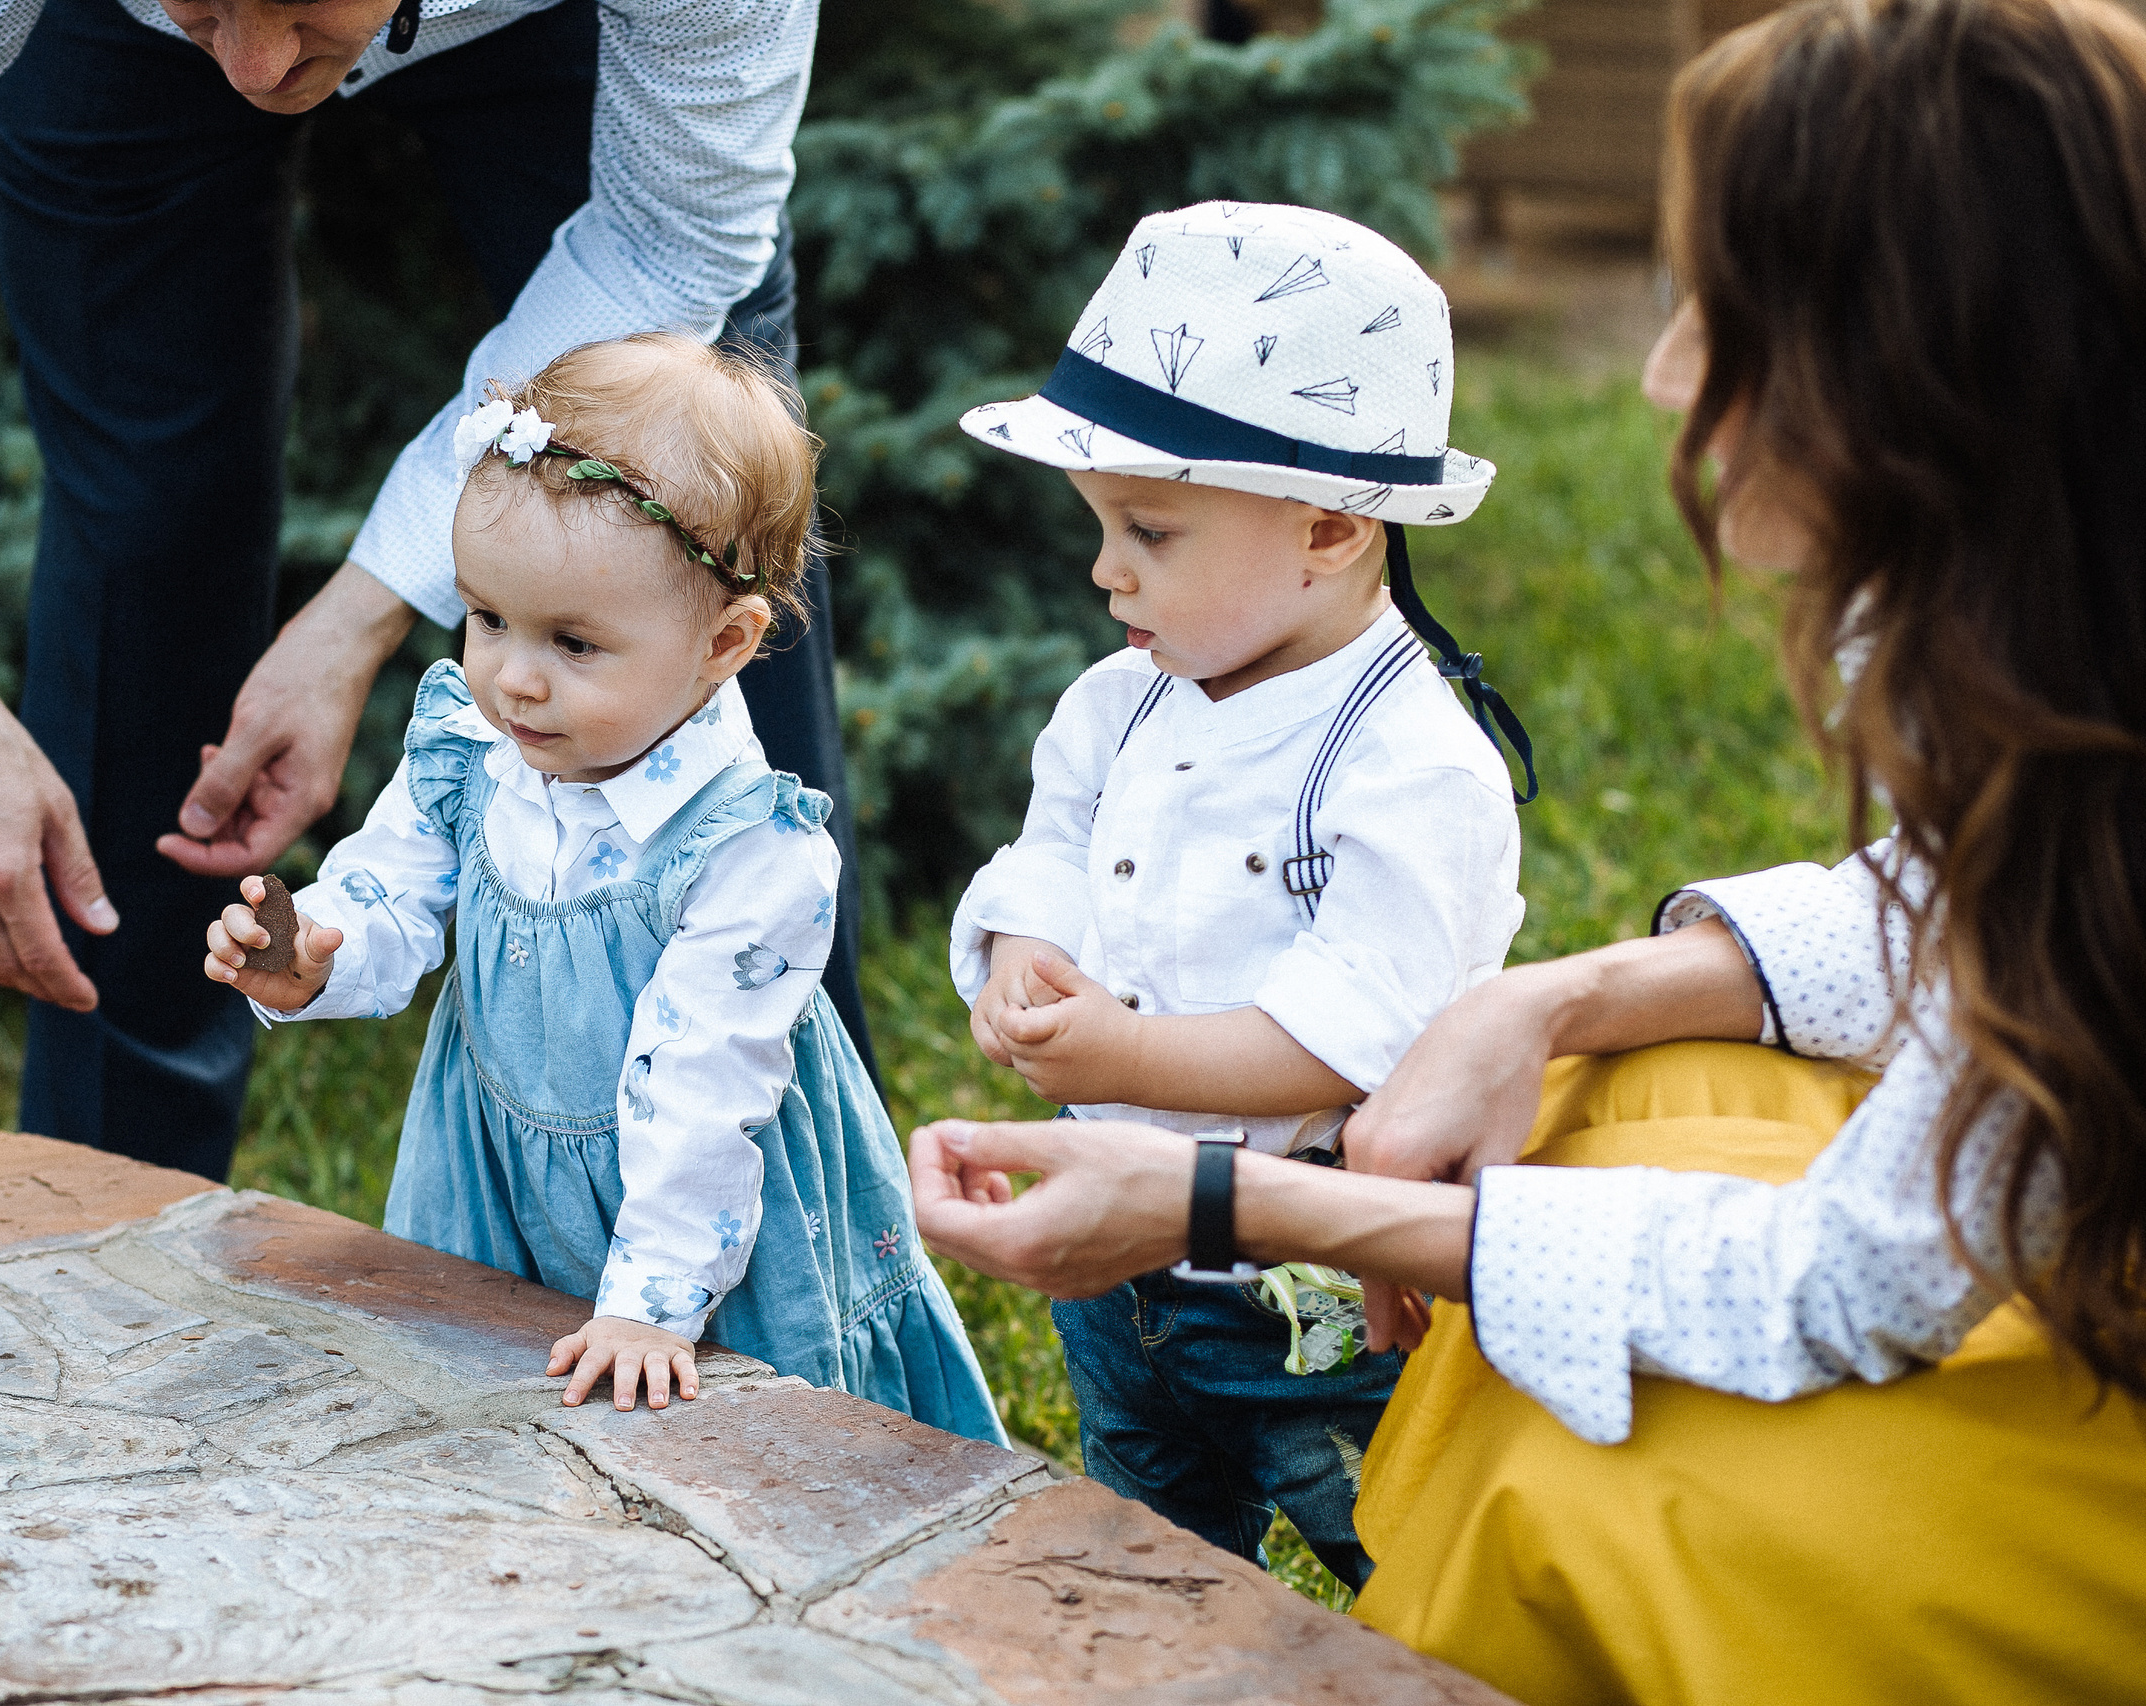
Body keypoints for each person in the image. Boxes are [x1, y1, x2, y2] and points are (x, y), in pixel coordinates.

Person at [908, 0, 2146, 1695]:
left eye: (1719, 310)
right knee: (1593, 1117)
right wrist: (1553, 1004)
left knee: (1586, 1496)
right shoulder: (2061, 646)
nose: (1660, 374)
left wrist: (1238, 1195)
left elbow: (1851, 1280)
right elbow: (1978, 920)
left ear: (1920, 369)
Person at [0, 0, 875, 1188]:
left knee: (688, 479)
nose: (258, 67)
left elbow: (672, 239)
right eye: (208, 2)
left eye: (290, 4)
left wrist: (359, 613)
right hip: (103, 51)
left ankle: (808, 1218)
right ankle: (105, 1217)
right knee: (144, 532)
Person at [202, 334, 1005, 1440]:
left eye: (572, 642)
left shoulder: (744, 849)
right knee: (483, 1403)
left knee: (727, 1435)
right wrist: (315, 955)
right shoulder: (472, 752)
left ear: (723, 640)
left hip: (699, 1200)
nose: (512, 677)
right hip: (496, 1174)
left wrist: (653, 1302)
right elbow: (392, 891)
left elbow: (705, 1084)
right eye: (487, 618)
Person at [944, 203, 1525, 1585]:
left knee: (1385, 1543)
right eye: (1099, 525)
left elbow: (1355, 1028)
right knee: (1144, 1547)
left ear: (1327, 528)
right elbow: (1060, 849)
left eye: (1148, 528)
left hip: (1310, 1287)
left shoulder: (1408, 759)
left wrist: (1125, 1054)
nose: (1104, 569)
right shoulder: (1122, 697)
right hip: (1118, 1270)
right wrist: (1027, 956)